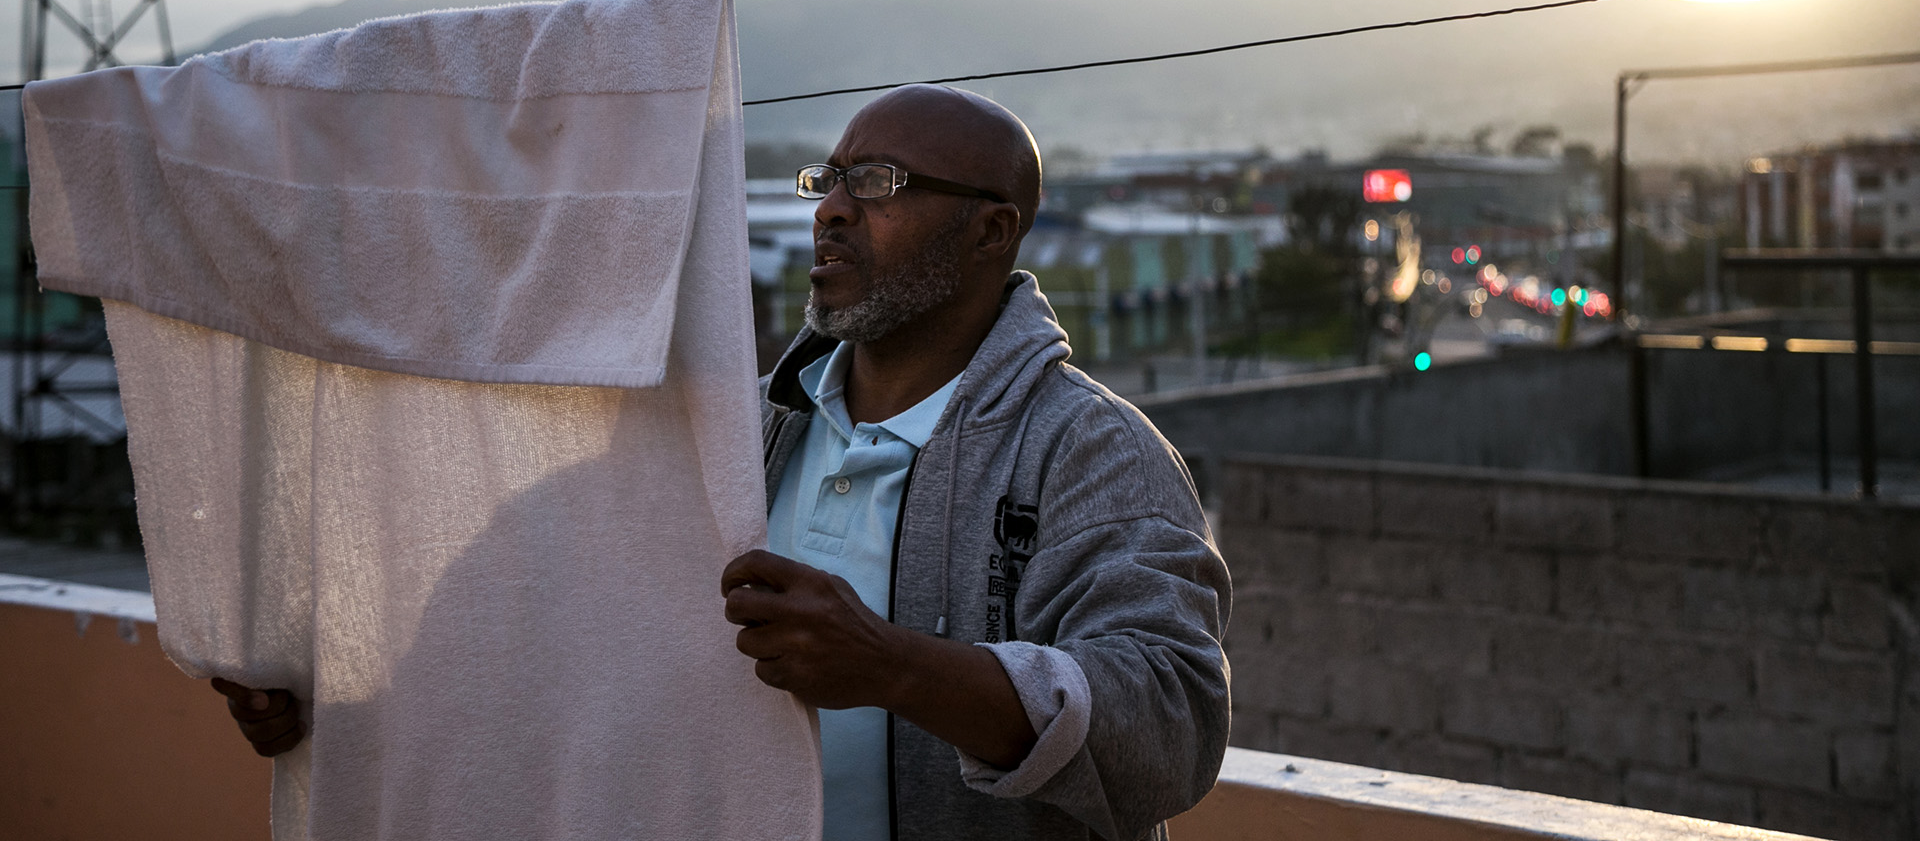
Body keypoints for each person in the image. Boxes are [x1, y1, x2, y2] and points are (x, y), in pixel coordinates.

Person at [218, 84, 1231, 841]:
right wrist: (347, 705)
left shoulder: (1091, 454)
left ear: (991, 229)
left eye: (875, 183)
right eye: (825, 180)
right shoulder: (742, 439)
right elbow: (562, 629)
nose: (831, 208)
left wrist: (890, 665)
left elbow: (1170, 724)